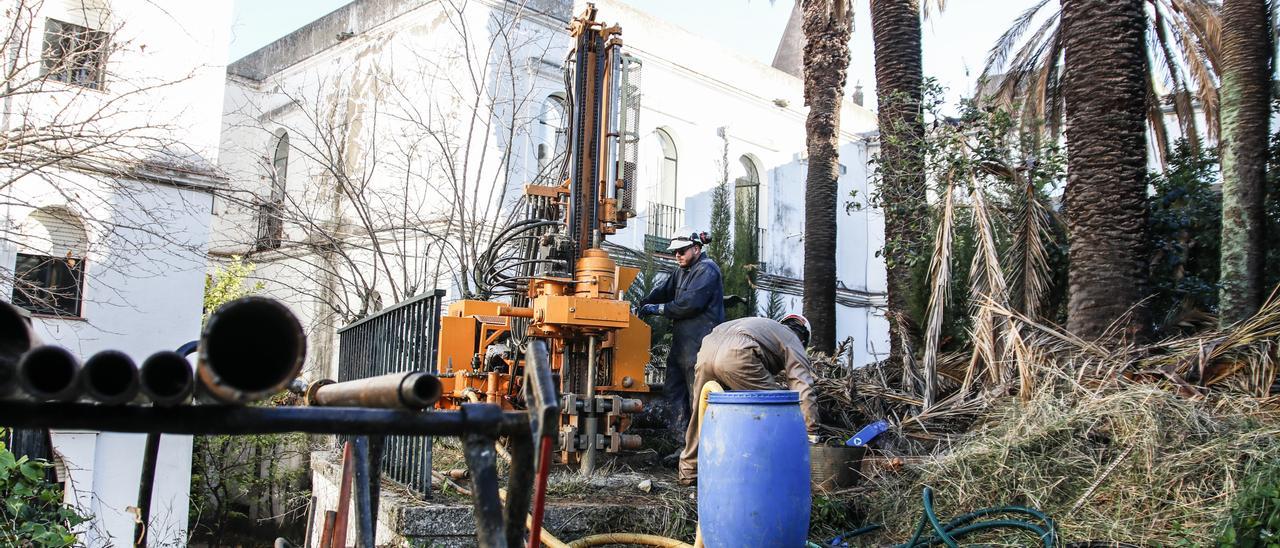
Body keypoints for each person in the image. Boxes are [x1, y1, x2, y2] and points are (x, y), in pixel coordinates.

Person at [677, 314, 819, 485]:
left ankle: (688, 472)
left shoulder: (764, 326)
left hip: (707, 349)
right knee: (777, 408)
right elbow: (802, 385)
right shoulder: (792, 339)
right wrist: (810, 430)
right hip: (738, 353)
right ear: (804, 338)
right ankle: (767, 469)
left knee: (701, 414)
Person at [638, 231, 725, 447]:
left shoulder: (707, 270)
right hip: (681, 346)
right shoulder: (681, 271)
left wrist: (655, 309)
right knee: (673, 392)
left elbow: (689, 304)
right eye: (675, 251)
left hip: (700, 346)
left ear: (696, 248)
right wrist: (642, 303)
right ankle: (683, 446)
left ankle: (701, 450)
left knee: (697, 398)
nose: (677, 255)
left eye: (681, 250)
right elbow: (663, 291)